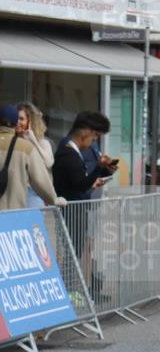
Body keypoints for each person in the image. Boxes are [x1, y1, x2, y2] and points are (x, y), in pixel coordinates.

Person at [53, 111, 117, 296]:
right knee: (72, 253)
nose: (94, 141)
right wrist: (98, 167)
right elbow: (80, 183)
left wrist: (101, 170)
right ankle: (69, 293)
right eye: (95, 136)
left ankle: (71, 291)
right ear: (85, 132)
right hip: (70, 210)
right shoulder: (68, 153)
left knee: (76, 252)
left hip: (77, 208)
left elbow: (82, 182)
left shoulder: (73, 152)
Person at [0, 105, 65, 213]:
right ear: (16, 122)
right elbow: (40, 179)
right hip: (15, 214)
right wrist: (53, 199)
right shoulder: (27, 148)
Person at [16, 102, 55, 208]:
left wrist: (33, 140)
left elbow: (48, 163)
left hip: (34, 194)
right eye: (16, 118)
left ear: (30, 121)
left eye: (21, 119)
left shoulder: (43, 142)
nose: (17, 122)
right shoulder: (13, 142)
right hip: (16, 193)